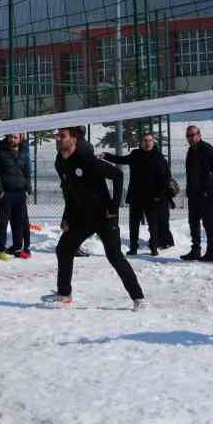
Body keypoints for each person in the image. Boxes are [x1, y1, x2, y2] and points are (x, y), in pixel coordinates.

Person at [43, 126, 144, 309]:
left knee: (114, 256)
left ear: (73, 139)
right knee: (64, 248)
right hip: (81, 216)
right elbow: (68, 192)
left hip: (104, 215)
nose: (58, 139)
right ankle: (64, 294)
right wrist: (66, 217)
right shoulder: (60, 162)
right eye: (57, 136)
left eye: (62, 136)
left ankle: (138, 298)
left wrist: (114, 207)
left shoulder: (86, 159)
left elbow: (118, 175)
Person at [104, 132, 173, 257]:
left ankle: (154, 247)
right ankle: (133, 248)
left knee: (153, 224)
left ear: (153, 142)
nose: (147, 143)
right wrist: (106, 156)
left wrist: (159, 195)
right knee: (134, 224)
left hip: (152, 198)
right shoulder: (136, 154)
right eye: (145, 140)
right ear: (141, 143)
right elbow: (122, 160)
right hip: (136, 196)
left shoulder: (159, 157)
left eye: (150, 140)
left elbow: (165, 179)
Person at [181, 124, 213, 262]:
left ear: (199, 135)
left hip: (207, 194)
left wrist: (212, 189)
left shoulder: (207, 150)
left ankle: (211, 252)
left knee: (208, 222)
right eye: (188, 135)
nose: (191, 138)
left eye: (193, 135)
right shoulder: (190, 151)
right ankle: (195, 250)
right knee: (193, 222)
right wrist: (189, 190)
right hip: (194, 193)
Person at [0, 131, 33, 258]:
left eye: (15, 137)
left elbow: (27, 171)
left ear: (20, 139)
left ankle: (17, 248)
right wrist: (0, 191)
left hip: (20, 193)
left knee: (18, 222)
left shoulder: (24, 152)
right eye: (10, 136)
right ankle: (1, 250)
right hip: (6, 193)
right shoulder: (0, 152)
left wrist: (28, 187)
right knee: (3, 222)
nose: (12, 139)